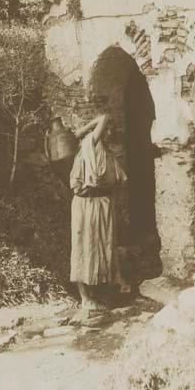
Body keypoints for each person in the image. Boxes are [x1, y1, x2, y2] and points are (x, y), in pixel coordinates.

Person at [69, 114, 127, 310]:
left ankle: (97, 294)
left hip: (102, 204)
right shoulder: (89, 144)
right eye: (107, 129)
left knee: (102, 247)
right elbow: (103, 117)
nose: (110, 132)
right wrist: (81, 131)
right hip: (85, 205)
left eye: (112, 129)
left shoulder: (105, 153)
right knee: (84, 247)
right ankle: (85, 298)